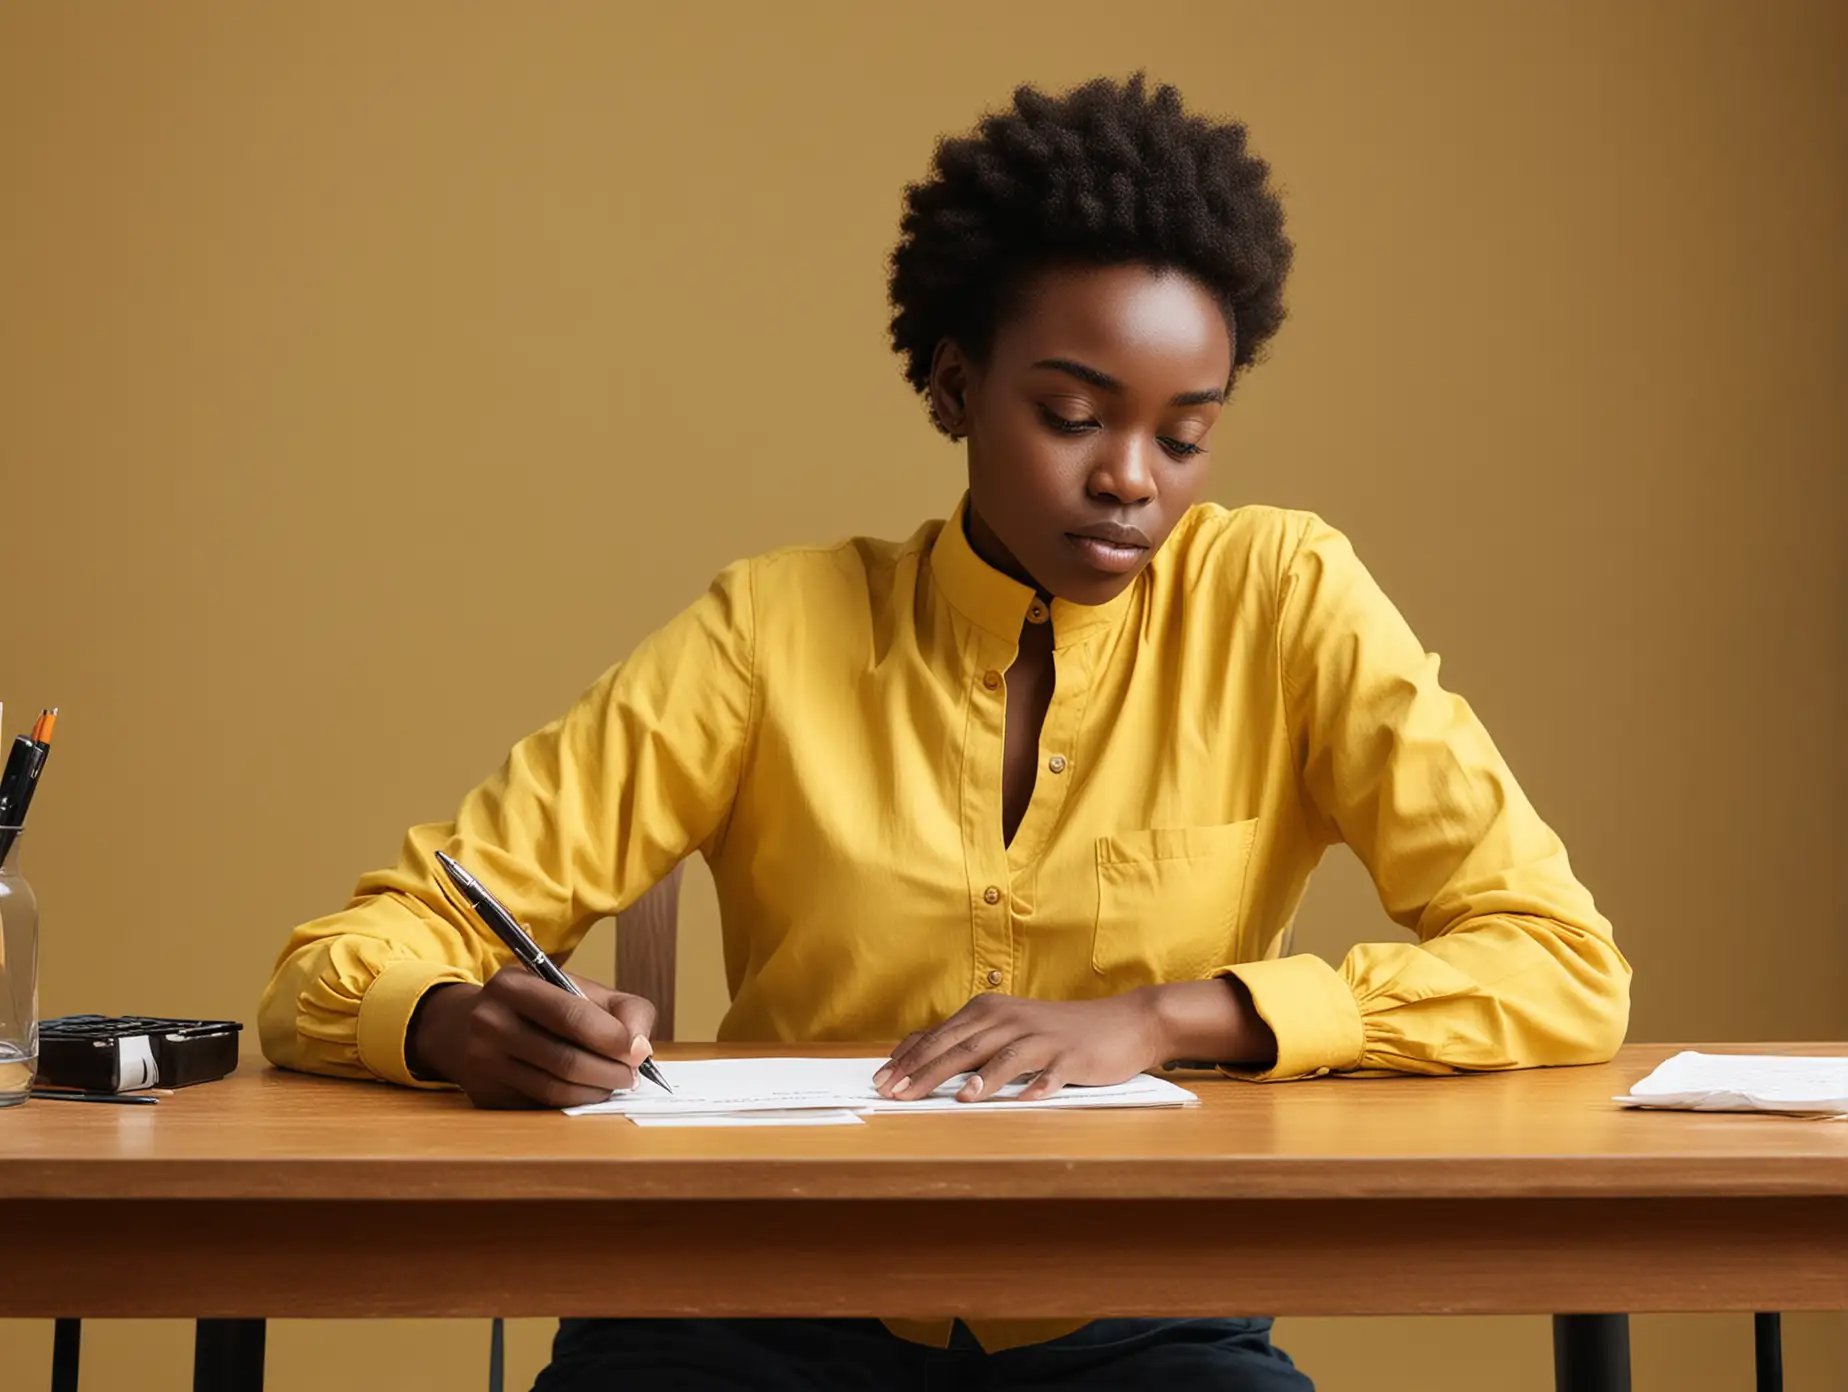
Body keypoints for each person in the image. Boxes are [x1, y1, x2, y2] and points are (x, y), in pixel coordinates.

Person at [260, 73, 1629, 1391]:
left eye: (1188, 434)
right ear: (954, 384)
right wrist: (448, 1023)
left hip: (1143, 1319)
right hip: (744, 1309)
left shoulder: (1283, 601)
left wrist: (1163, 1019)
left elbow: (1559, 964)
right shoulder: (771, 631)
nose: (1131, 482)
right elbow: (339, 963)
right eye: (1073, 415)